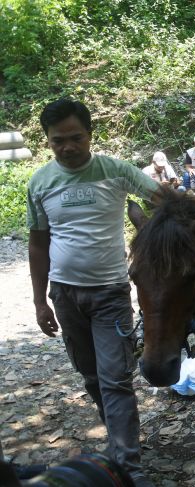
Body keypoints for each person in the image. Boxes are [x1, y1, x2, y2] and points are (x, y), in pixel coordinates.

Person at [26, 99, 158, 486]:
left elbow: (161, 198)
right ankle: (121, 444)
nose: (67, 147)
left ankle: (127, 468)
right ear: (48, 141)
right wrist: (38, 300)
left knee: (116, 378)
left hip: (110, 294)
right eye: (57, 141)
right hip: (65, 297)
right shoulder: (40, 182)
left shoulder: (115, 171)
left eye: (75, 138)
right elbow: (38, 242)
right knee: (91, 376)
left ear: (90, 135)